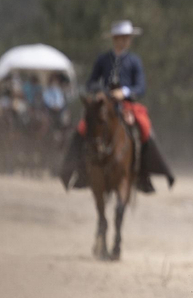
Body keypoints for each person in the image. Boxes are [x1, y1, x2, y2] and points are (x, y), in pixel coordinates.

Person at [57, 20, 175, 192]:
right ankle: (75, 172)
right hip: (103, 103)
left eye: (127, 38)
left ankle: (144, 174)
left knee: (144, 127)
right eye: (121, 38)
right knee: (82, 128)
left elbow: (141, 87)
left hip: (127, 105)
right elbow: (90, 83)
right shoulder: (103, 59)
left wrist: (125, 92)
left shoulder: (134, 61)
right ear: (114, 39)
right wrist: (100, 92)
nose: (124, 41)